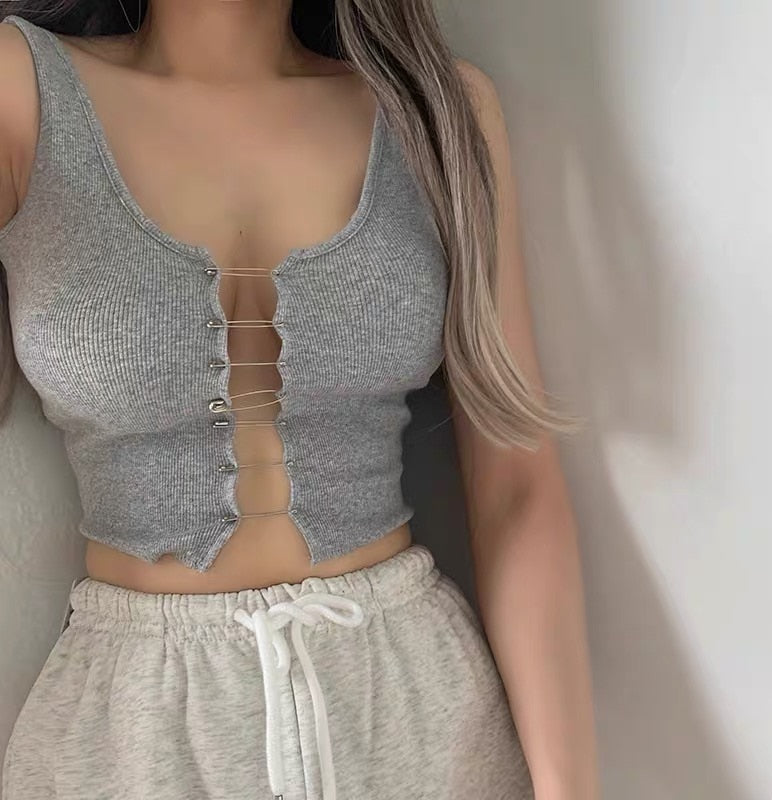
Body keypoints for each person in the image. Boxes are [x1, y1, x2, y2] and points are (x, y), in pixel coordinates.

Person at [0, 1, 600, 798]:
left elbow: (516, 490)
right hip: (132, 732)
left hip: (417, 712)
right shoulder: (19, 88)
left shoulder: (438, 112)